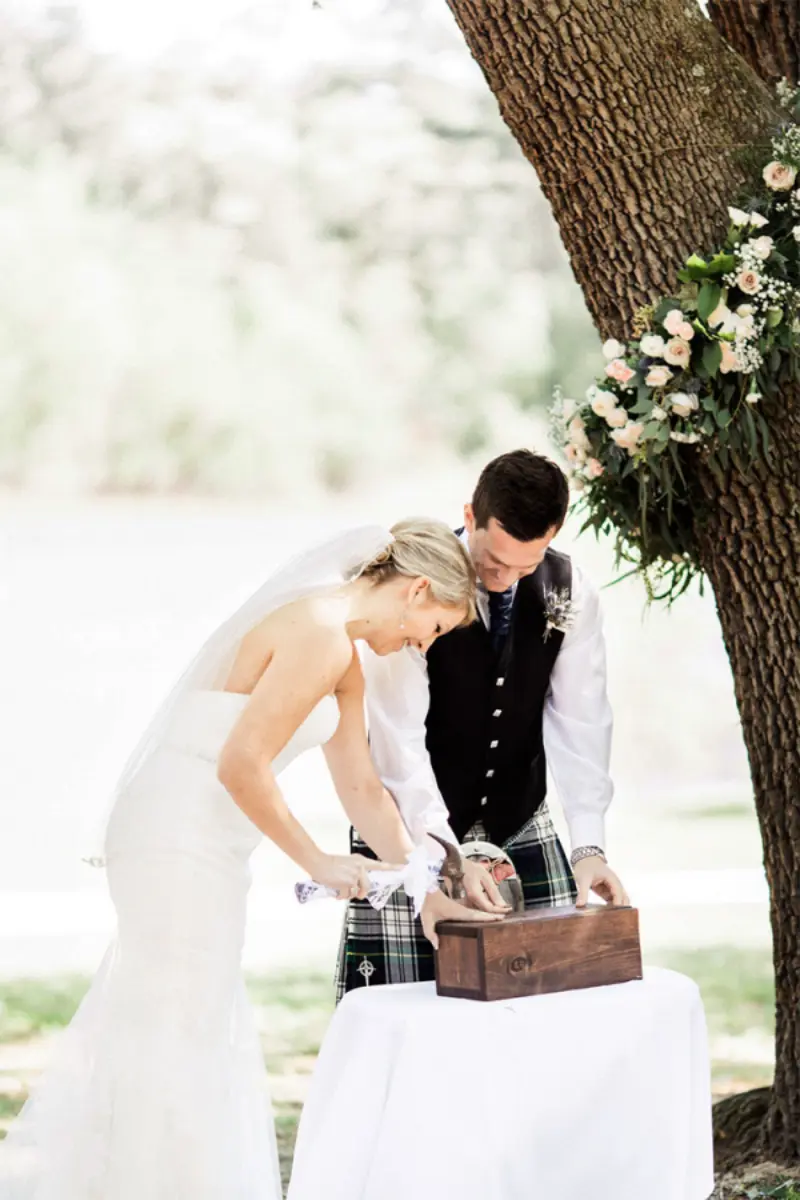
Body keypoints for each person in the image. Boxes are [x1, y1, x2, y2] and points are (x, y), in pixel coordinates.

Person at [0, 520, 500, 1200]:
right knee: (173, 1032)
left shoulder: (345, 659)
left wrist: (425, 886)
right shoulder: (318, 632)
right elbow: (241, 764)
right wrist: (319, 861)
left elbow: (361, 789)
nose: (423, 644)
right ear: (416, 591)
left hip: (210, 842)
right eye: (434, 627)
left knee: (191, 1025)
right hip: (174, 832)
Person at [337, 451, 630, 997]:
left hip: (519, 821)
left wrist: (589, 848)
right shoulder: (411, 591)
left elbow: (582, 722)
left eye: (524, 566)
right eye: (494, 563)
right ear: (470, 515)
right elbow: (397, 739)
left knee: (543, 1008)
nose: (505, 580)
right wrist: (441, 859)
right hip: (406, 825)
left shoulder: (570, 591)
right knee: (406, 1014)